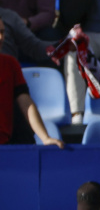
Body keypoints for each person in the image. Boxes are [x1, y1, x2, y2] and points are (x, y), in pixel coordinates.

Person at [0, 20, 64, 148]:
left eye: (2, 32)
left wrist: (45, 138)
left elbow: (26, 102)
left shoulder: (10, 64)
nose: (1, 37)